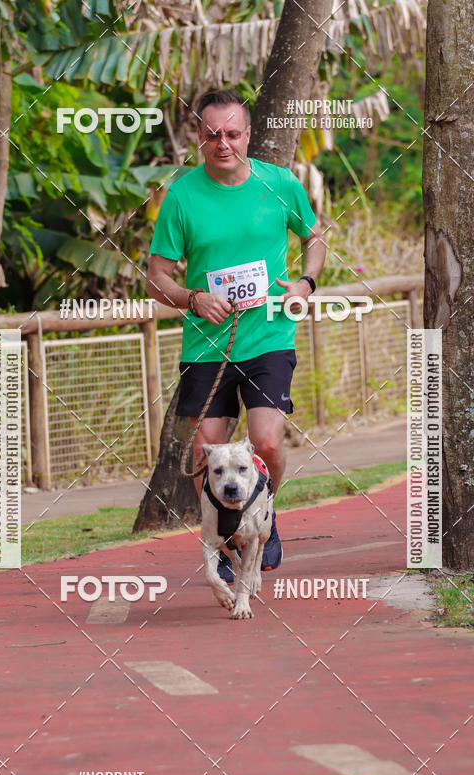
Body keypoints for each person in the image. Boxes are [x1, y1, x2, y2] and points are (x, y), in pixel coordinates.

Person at [147, 88, 325, 582]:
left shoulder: (279, 184)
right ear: (199, 138)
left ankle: (263, 516)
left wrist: (306, 283)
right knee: (209, 449)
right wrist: (192, 298)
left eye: (231, 133)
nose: (222, 142)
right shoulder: (182, 195)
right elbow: (156, 275)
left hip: (268, 335)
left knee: (266, 442)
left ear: (248, 135)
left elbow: (314, 239)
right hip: (207, 345)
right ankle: (225, 536)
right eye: (212, 134)